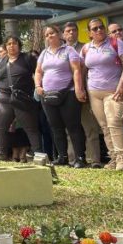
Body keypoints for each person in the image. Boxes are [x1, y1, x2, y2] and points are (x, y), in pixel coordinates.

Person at [82, 18, 123, 170]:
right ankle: (114, 158)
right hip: (94, 92)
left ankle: (122, 158)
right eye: (94, 29)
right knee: (104, 126)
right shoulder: (85, 48)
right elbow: (83, 70)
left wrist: (122, 84)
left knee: (114, 122)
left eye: (101, 27)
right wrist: (82, 89)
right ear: (89, 33)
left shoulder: (116, 43)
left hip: (115, 90)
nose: (99, 30)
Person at [35, 25, 87, 168]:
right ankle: (62, 157)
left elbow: (77, 69)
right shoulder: (44, 53)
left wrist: (78, 88)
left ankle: (80, 158)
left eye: (52, 33)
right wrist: (38, 86)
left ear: (59, 34)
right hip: (48, 95)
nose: (49, 36)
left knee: (73, 126)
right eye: (46, 35)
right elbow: (38, 71)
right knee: (55, 127)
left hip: (68, 93)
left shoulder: (69, 50)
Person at [0, 36, 41, 161]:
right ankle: (1, 154)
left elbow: (39, 72)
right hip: (3, 98)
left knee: (31, 127)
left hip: (22, 98)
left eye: (14, 43)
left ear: (19, 45)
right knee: (0, 127)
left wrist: (37, 87)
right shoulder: (1, 61)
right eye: (8, 44)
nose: (11, 46)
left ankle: (39, 154)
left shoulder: (28, 58)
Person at [64, 22, 102, 167]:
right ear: (63, 34)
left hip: (85, 92)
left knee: (90, 127)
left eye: (74, 30)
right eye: (68, 31)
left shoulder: (86, 48)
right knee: (71, 129)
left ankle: (95, 160)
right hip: (67, 95)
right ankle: (73, 158)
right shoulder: (60, 51)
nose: (71, 33)